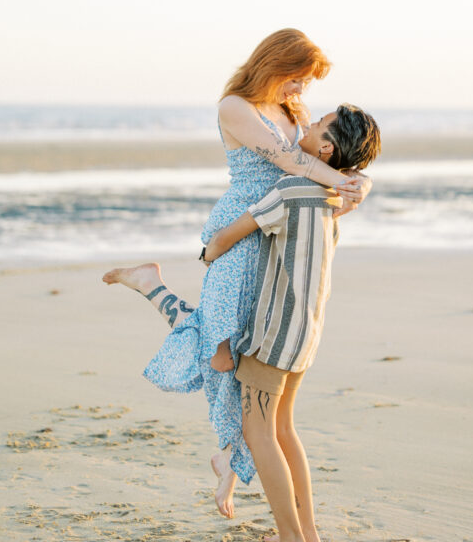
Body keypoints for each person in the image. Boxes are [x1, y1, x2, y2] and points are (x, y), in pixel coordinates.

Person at [102, 29, 371, 517]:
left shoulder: (297, 113)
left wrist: (359, 182)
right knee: (220, 350)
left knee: (244, 356)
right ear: (275, 65)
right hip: (240, 232)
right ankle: (150, 285)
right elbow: (290, 159)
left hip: (277, 235)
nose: (301, 92)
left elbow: (323, 155)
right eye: (297, 80)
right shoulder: (235, 107)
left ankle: (229, 455)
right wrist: (345, 183)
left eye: (307, 85)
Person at [203, 105, 382, 542]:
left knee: (258, 430)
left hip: (274, 333)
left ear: (325, 148)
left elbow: (229, 235)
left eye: (318, 125)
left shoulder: (291, 190)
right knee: (283, 429)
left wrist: (207, 254)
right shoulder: (332, 196)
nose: (307, 124)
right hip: (307, 334)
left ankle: (291, 537)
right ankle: (308, 533)